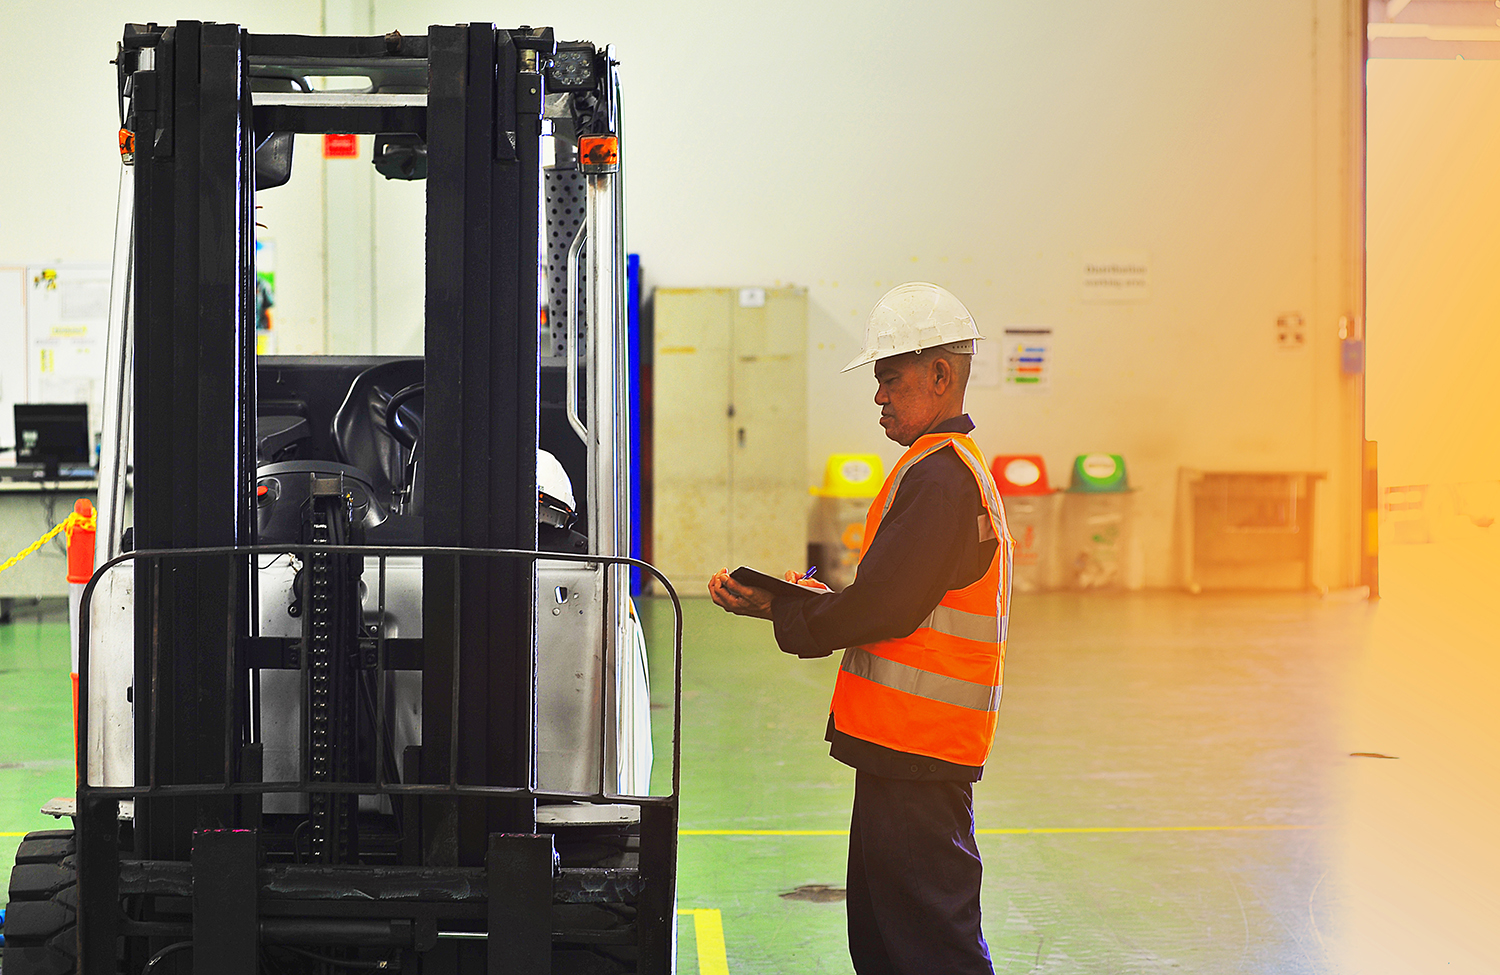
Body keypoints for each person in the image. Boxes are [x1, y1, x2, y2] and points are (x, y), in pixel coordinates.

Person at [708, 282, 1013, 975]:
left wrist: (789, 613)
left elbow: (884, 608)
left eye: (889, 379)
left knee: (930, 947)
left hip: (918, 756)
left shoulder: (940, 480)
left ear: (940, 375)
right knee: (884, 941)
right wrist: (805, 601)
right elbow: (895, 598)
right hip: (901, 752)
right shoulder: (935, 472)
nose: (878, 397)